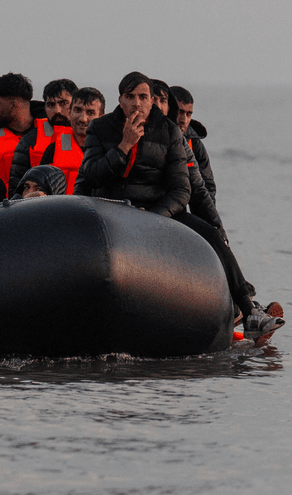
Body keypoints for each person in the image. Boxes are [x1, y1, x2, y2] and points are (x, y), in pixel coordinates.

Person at [74, 71, 283, 342]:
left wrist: (153, 217)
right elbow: (91, 176)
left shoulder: (169, 131)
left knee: (210, 233)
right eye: (130, 97)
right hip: (114, 209)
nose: (137, 103)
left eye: (143, 97)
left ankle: (249, 309)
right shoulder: (100, 128)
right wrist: (124, 145)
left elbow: (182, 190)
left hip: (157, 211)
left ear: (151, 102)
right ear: (120, 100)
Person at [8, 79, 78, 193]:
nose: (57, 110)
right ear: (44, 107)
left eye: (63, 103)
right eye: (51, 105)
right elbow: (16, 189)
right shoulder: (30, 141)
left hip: (82, 208)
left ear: (75, 103)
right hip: (42, 208)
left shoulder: (89, 138)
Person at [42, 87, 106, 194]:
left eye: (90, 113)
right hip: (61, 209)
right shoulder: (52, 151)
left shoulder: (110, 151)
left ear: (101, 117)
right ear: (69, 113)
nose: (83, 119)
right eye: (78, 110)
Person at [170, 85, 216, 202]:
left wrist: (209, 217)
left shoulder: (194, 144)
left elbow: (208, 186)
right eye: (180, 112)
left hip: (180, 206)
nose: (183, 120)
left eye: (188, 114)